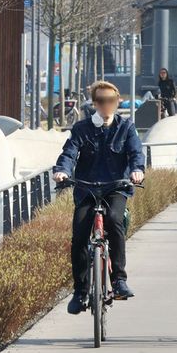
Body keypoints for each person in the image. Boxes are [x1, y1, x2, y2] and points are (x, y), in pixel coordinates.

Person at [53, 81, 145, 315]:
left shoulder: (126, 127)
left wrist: (137, 170)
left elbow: (136, 153)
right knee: (79, 235)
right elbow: (69, 152)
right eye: (102, 101)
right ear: (94, 103)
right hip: (87, 189)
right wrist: (62, 170)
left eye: (112, 101)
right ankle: (80, 291)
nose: (107, 105)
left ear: (117, 103)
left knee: (114, 221)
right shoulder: (81, 129)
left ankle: (118, 281)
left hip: (116, 187)